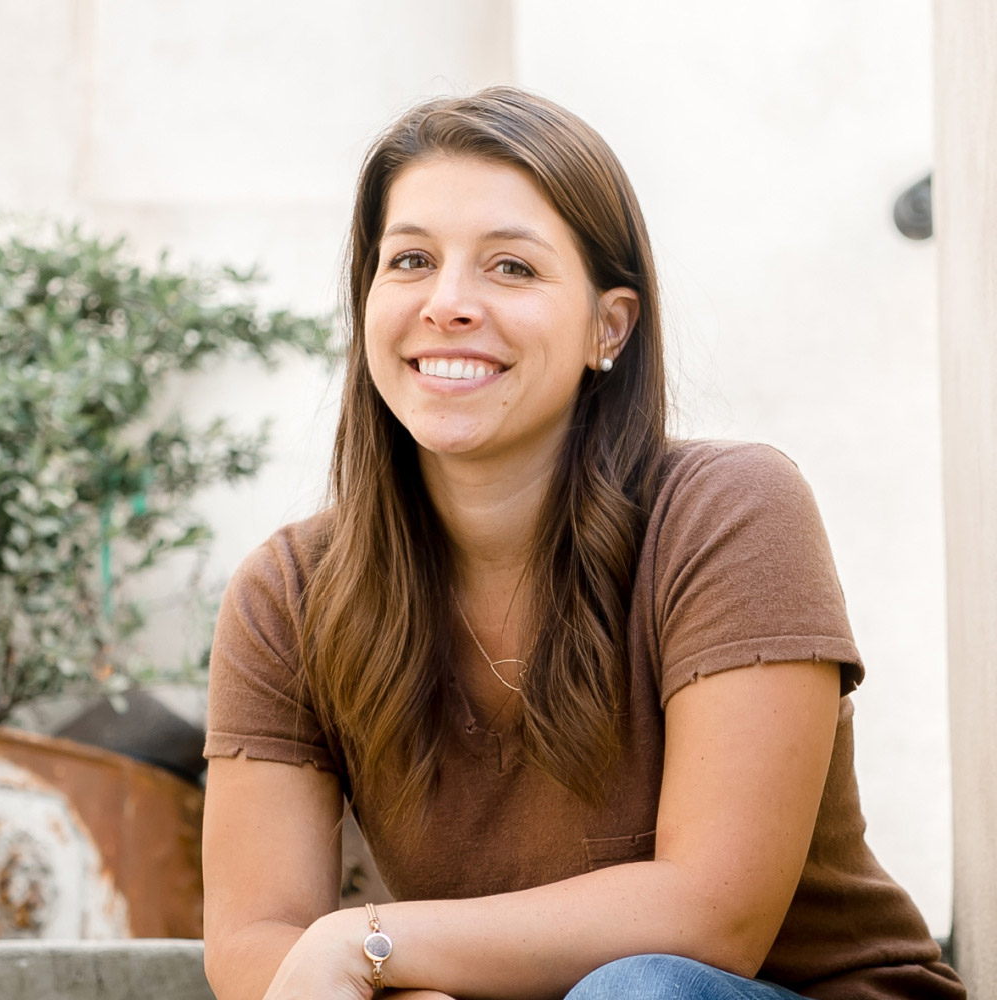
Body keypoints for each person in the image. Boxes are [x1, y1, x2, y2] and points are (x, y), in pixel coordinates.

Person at [201, 87, 965, 1000]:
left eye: (511, 269)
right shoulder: (289, 594)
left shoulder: (729, 514)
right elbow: (255, 938)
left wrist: (368, 943)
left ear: (610, 326)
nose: (447, 304)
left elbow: (712, 915)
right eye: (410, 260)